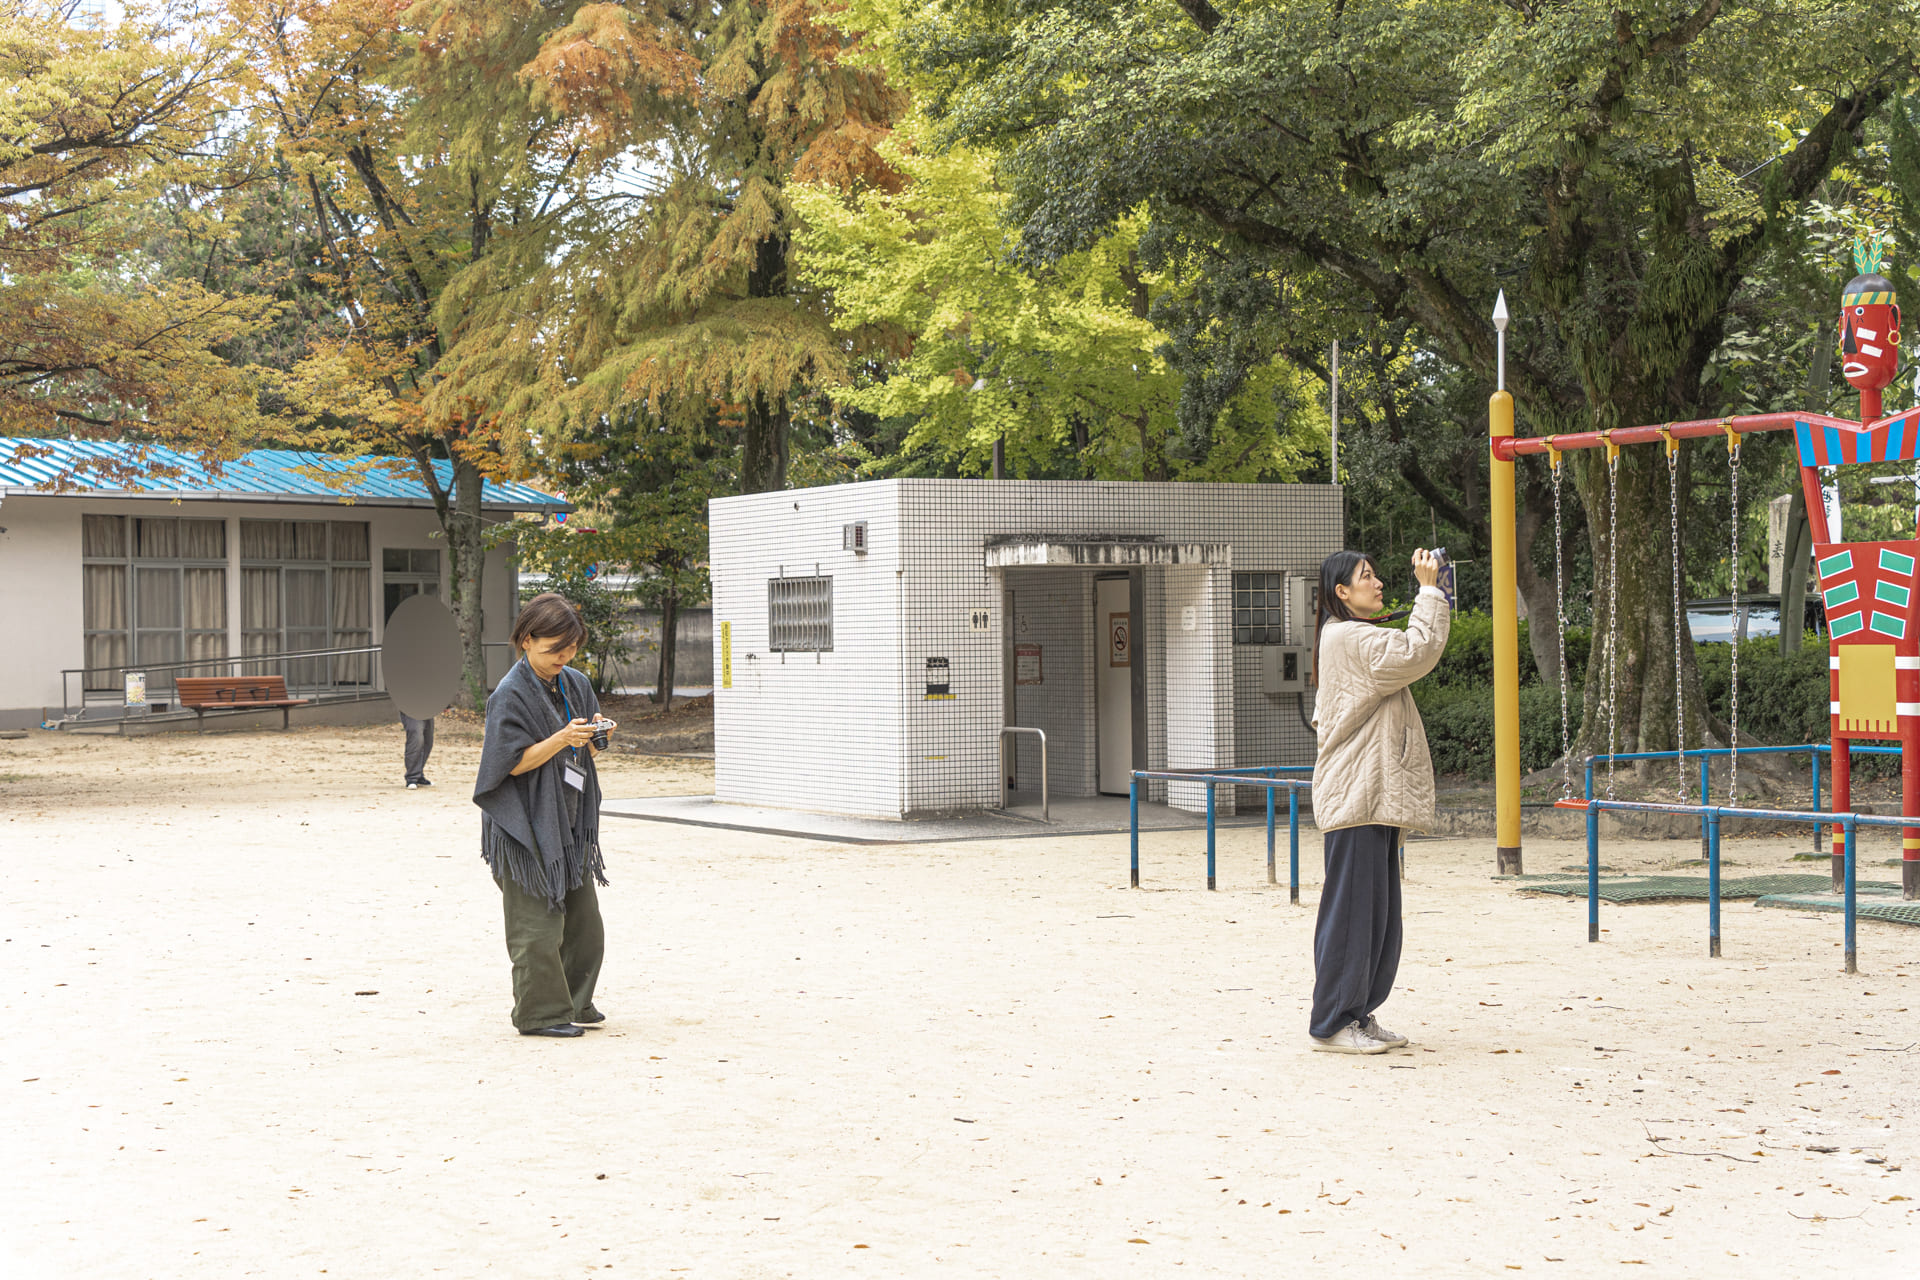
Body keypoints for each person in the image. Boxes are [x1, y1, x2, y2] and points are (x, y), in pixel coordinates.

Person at [1307, 549, 1450, 1054]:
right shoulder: (1347, 636)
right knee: (1352, 916)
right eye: (1366, 577)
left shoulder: (1354, 636)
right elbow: (1417, 650)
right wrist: (1429, 589)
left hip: (1372, 793)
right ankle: (1330, 1024)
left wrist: (1429, 595)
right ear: (1341, 592)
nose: (1379, 582)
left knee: (1378, 916)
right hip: (1357, 792)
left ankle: (1358, 1013)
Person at [472, 593, 618, 1038]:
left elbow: (587, 749)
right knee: (536, 925)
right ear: (527, 640)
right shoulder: (509, 694)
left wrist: (597, 736)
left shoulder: (574, 682)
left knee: (585, 925)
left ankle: (575, 1002)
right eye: (556, 647)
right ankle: (540, 1014)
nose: (565, 656)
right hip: (523, 823)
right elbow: (507, 765)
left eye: (572, 647)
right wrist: (561, 739)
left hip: (568, 819)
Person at [401, 712, 434, 789]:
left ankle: (418, 775)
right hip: (411, 708)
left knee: (427, 741)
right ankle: (412, 777)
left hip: (427, 708)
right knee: (416, 740)